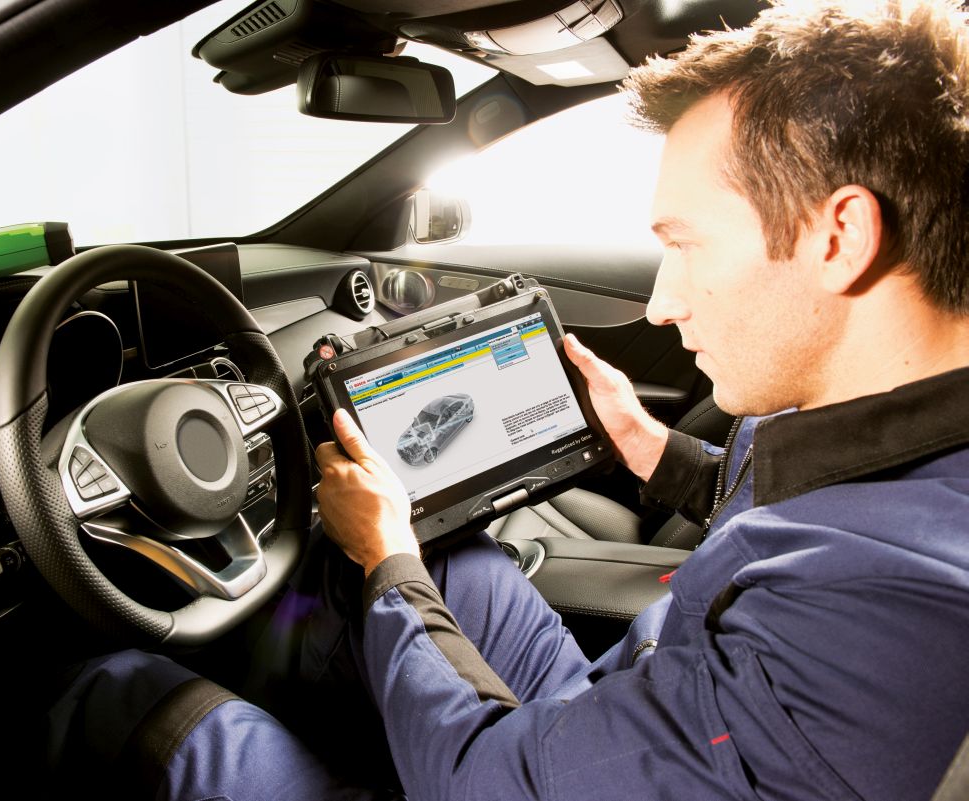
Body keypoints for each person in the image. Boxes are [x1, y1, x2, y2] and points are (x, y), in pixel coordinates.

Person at [48, 0, 969, 798]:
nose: (662, 303)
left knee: (134, 700)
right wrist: (652, 448)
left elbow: (482, 780)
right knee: (451, 555)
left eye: (685, 244)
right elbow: (800, 510)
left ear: (841, 235)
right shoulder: (899, 451)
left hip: (524, 769)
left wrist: (387, 557)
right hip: (631, 707)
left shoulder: (861, 634)